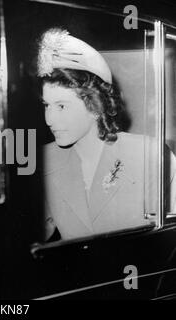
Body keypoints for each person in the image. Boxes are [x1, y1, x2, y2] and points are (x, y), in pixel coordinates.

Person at [37, 28, 176, 241]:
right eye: (47, 105)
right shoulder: (45, 159)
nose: (49, 119)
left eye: (61, 106)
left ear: (95, 106)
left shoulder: (149, 154)